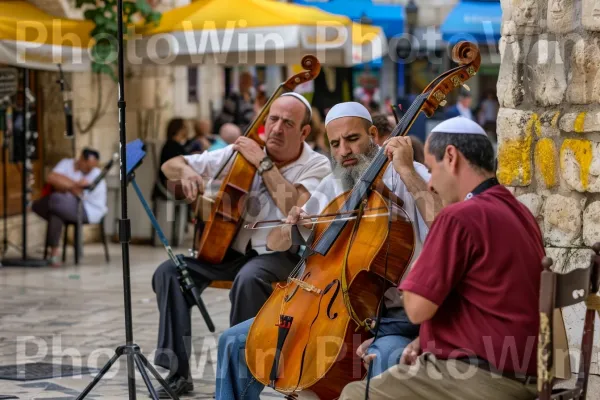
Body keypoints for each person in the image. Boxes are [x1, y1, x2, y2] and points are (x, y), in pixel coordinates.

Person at [214, 102, 443, 400]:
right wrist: (291, 227)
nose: (344, 151)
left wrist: (408, 171)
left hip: (396, 317)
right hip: (326, 307)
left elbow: (447, 225)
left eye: (352, 139)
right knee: (233, 342)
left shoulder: (410, 174)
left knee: (384, 358)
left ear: (372, 134)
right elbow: (276, 243)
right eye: (335, 144)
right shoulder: (332, 184)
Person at [338, 116, 545, 400]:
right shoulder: (519, 212)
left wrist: (412, 254)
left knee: (353, 393)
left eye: (432, 170)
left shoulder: (460, 216)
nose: (431, 184)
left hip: (482, 378)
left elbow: (416, 309)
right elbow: (491, 298)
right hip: (527, 375)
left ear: (451, 156)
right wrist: (425, 339)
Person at [151, 92, 331, 397]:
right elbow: (170, 165)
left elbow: (294, 205)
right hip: (225, 250)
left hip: (278, 253)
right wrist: (188, 172)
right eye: (272, 119)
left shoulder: (316, 165)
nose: (276, 128)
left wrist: (263, 165)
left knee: (250, 278)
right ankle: (177, 370)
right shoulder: (241, 153)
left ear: (303, 132)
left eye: (287, 123)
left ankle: (241, 375)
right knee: (169, 272)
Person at [32, 148, 107, 266]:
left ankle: (54, 253)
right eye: (87, 166)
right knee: (56, 210)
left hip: (88, 210)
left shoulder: (95, 173)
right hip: (69, 206)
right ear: (81, 159)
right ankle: (54, 255)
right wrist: (74, 185)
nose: (89, 170)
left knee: (56, 199)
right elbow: (51, 178)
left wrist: (63, 184)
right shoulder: (66, 163)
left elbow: (79, 193)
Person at [152, 118, 190, 200]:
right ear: (180, 129)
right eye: (186, 127)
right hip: (169, 183)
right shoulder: (172, 147)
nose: (188, 130)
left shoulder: (174, 145)